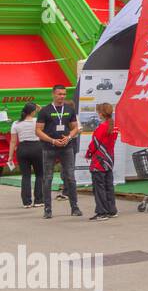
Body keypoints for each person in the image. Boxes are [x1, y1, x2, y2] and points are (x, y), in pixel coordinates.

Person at [36, 84, 80, 218]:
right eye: (59, 94)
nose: (62, 97)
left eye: (64, 94)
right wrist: (52, 141)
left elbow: (75, 127)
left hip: (67, 148)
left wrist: (69, 137)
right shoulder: (45, 111)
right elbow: (38, 130)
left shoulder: (69, 109)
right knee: (48, 178)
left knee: (71, 178)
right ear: (53, 94)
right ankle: (47, 210)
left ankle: (75, 207)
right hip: (49, 148)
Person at [85, 102, 118, 221]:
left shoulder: (101, 127)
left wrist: (88, 154)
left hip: (99, 161)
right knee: (109, 186)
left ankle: (102, 212)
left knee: (99, 188)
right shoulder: (114, 127)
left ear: (101, 114)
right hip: (109, 160)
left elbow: (94, 144)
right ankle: (111, 210)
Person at [9, 102, 44, 208]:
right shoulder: (37, 121)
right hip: (37, 148)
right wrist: (40, 109)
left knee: (26, 176)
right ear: (33, 112)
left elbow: (13, 141)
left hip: (22, 149)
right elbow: (44, 114)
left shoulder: (16, 123)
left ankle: (26, 202)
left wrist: (10, 156)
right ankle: (38, 201)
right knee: (39, 175)